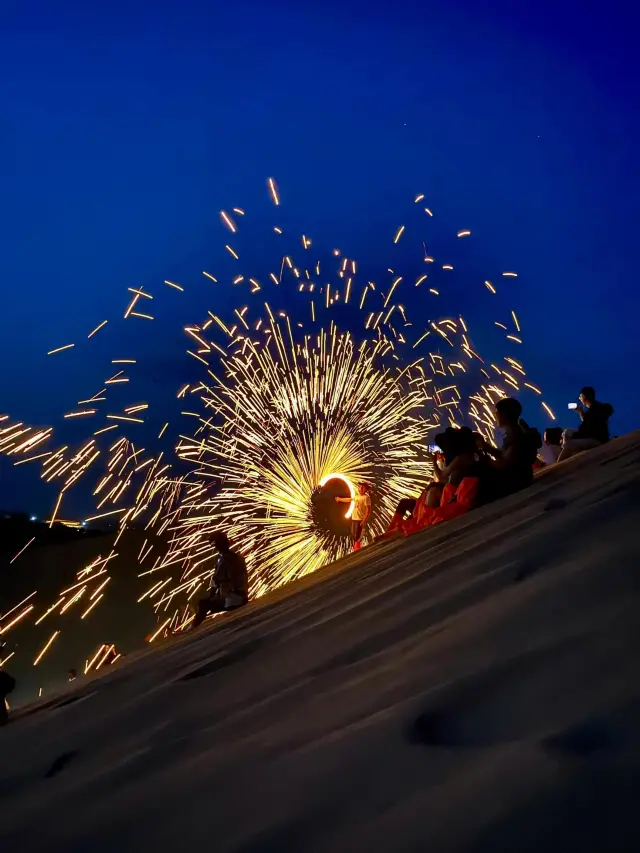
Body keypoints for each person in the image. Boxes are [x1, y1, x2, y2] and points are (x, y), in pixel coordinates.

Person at [480, 397, 539, 499]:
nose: (495, 415)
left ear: (504, 415)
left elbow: (506, 465)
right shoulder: (514, 432)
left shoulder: (515, 436)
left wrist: (484, 461)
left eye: (497, 412)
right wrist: (487, 448)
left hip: (515, 483)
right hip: (521, 479)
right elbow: (506, 456)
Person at [192, 532, 249, 628]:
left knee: (203, 604)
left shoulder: (224, 561)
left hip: (232, 601)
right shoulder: (237, 557)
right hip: (242, 597)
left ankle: (192, 628)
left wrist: (209, 597)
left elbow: (216, 582)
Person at [558, 387, 614, 462]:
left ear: (584, 397)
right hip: (596, 437)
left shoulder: (593, 411)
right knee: (567, 432)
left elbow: (587, 429)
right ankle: (570, 455)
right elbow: (588, 423)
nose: (579, 398)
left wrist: (574, 437)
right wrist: (580, 412)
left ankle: (561, 463)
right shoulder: (596, 408)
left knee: (569, 444)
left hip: (597, 440)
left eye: (580, 396)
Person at [336, 483, 371, 550]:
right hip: (354, 519)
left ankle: (357, 550)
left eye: (363, 488)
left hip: (360, 520)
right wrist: (340, 499)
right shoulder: (356, 497)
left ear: (365, 490)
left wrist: (364, 520)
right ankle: (356, 549)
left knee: (357, 536)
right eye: (360, 487)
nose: (360, 488)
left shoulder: (366, 498)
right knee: (353, 535)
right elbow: (349, 499)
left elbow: (368, 511)